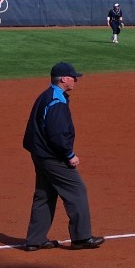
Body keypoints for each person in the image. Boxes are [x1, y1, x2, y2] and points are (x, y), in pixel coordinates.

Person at [21, 62, 104, 252]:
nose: (76, 80)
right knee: (77, 191)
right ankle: (81, 237)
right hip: (53, 156)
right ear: (64, 79)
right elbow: (57, 134)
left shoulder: (47, 96)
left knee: (44, 194)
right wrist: (69, 154)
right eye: (73, 77)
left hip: (40, 154)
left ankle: (35, 240)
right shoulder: (56, 102)